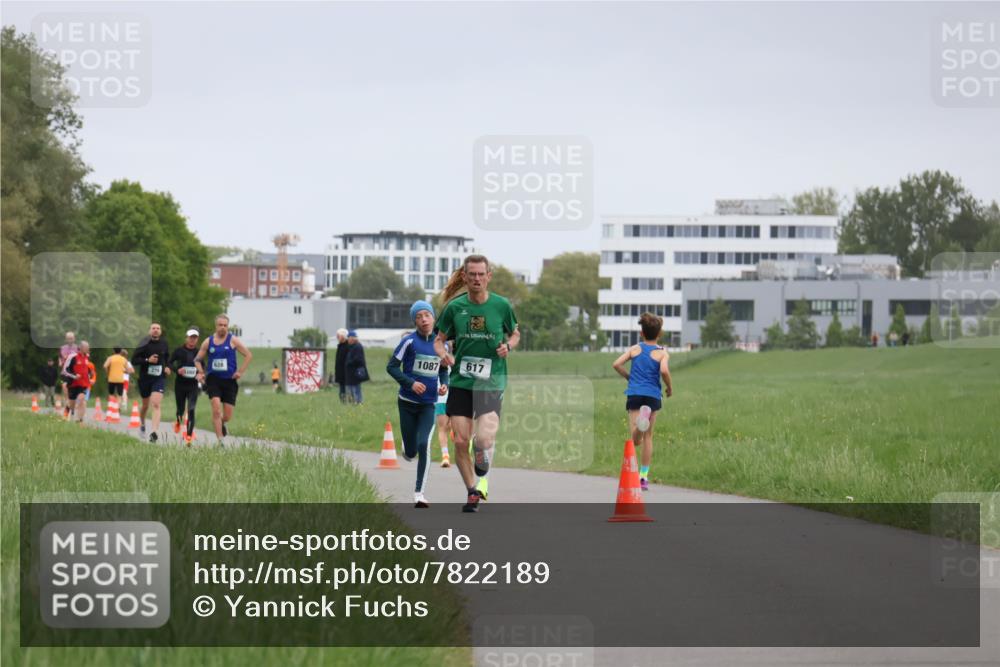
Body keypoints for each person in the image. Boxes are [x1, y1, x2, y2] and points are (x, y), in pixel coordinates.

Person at [434, 254, 519, 513]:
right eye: (472, 274)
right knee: (461, 441)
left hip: (491, 381)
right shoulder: (454, 308)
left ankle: (482, 464)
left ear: (488, 276)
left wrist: (508, 346)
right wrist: (444, 354)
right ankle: (472, 490)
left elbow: (515, 333)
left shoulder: (501, 306)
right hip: (461, 382)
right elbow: (439, 339)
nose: (477, 279)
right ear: (465, 277)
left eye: (481, 274)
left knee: (483, 440)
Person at [387, 301, 450, 508]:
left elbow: (442, 369)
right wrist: (411, 383)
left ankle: (419, 493)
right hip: (406, 402)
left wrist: (444, 385)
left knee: (424, 445)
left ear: (433, 317)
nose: (423, 319)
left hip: (428, 405)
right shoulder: (409, 342)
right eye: (419, 317)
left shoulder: (442, 344)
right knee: (411, 452)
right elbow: (392, 367)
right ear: (415, 321)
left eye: (427, 315)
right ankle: (407, 446)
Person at [612, 312, 674, 492]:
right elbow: (663, 371)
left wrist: (629, 377)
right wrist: (669, 387)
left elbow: (616, 364)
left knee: (635, 439)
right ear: (659, 334)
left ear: (642, 333)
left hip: (635, 394)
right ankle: (644, 478)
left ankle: (640, 424)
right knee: (648, 438)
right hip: (653, 395)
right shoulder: (662, 353)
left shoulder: (635, 349)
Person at [195, 314, 252, 444]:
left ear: (228, 326)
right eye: (220, 325)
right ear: (216, 326)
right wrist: (201, 372)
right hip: (213, 380)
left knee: (227, 416)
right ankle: (220, 441)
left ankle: (221, 422)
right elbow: (197, 360)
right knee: (216, 409)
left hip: (229, 381)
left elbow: (248, 355)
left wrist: (240, 372)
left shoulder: (233, 340)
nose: (223, 328)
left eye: (225, 325)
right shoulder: (208, 341)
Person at [132, 323, 172, 442]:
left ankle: (154, 432)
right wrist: (147, 360)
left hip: (159, 378)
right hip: (145, 378)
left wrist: (168, 367)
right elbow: (134, 360)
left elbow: (167, 359)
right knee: (145, 405)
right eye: (153, 328)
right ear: (150, 331)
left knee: (155, 404)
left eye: (158, 328)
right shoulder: (144, 343)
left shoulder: (164, 343)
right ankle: (142, 424)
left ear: (160, 331)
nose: (155, 330)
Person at [170, 328, 202, 445]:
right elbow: (169, 362)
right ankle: (178, 421)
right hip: (180, 384)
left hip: (193, 385)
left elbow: (203, 366)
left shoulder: (199, 352)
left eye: (195, 337)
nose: (193, 340)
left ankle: (189, 436)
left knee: (191, 409)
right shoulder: (179, 351)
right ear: (186, 338)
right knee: (180, 410)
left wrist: (200, 373)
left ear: (197, 339)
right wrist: (177, 370)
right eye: (191, 337)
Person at [61, 341, 93, 424]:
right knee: (71, 403)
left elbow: (86, 370)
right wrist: (74, 376)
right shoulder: (73, 356)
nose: (89, 349)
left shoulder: (87, 357)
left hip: (83, 384)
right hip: (73, 383)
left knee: (81, 399)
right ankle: (69, 412)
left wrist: (89, 377)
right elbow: (65, 370)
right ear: (81, 348)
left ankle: (80, 421)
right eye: (87, 347)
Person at [343, 330, 368, 404]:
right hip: (351, 372)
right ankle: (353, 401)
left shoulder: (357, 347)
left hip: (355, 372)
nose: (348, 339)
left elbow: (359, 359)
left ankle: (358, 401)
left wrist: (349, 362)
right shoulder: (352, 346)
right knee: (351, 387)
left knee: (356, 387)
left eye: (349, 338)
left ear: (353, 338)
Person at [58, 331, 78, 417]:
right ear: (66, 339)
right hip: (65, 372)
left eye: (71, 338)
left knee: (73, 392)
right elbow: (60, 358)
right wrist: (60, 362)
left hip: (74, 373)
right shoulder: (62, 348)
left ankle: (71, 407)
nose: (70, 340)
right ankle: (67, 402)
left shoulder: (78, 348)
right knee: (64, 386)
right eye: (68, 338)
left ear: (74, 339)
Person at [334, 328, 349, 403]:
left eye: (338, 336)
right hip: (341, 374)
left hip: (346, 374)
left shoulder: (347, 346)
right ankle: (343, 404)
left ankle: (348, 403)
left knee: (346, 391)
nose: (337, 338)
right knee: (341, 391)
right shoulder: (340, 346)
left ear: (343, 336)